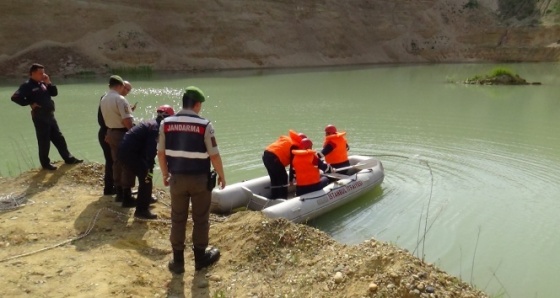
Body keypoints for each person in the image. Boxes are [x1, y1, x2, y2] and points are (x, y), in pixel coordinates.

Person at [157, 86, 226, 274]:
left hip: (176, 179)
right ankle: (200, 259)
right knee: (201, 219)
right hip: (199, 180)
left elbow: (161, 153)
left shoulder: (166, 124)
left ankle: (178, 262)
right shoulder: (205, 125)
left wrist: (164, 173)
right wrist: (221, 174)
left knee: (178, 218)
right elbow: (214, 155)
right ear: (196, 105)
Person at [10, 63, 83, 170]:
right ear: (33, 73)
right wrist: (30, 102)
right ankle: (45, 164)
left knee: (59, 138)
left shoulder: (42, 83)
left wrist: (48, 82)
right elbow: (15, 97)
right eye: (40, 73)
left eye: (43, 72)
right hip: (40, 117)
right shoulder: (27, 85)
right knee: (44, 141)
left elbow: (54, 93)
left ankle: (69, 158)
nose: (43, 75)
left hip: (50, 116)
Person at [118, 105, 174, 219]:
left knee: (146, 173)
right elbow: (150, 151)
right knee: (147, 179)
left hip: (124, 152)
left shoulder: (151, 123)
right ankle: (141, 210)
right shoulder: (156, 128)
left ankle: (128, 199)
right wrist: (149, 166)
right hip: (131, 154)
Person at [99, 75, 136, 207]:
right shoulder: (120, 99)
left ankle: (119, 192)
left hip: (110, 132)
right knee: (127, 163)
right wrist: (134, 134)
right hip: (122, 134)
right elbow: (127, 120)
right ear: (120, 86)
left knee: (116, 162)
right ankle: (127, 195)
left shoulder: (103, 99)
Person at [262, 130, 305, 199]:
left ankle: (274, 196)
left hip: (266, 155)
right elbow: (293, 165)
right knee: (283, 178)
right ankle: (283, 198)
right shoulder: (295, 146)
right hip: (274, 158)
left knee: (274, 178)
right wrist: (291, 180)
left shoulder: (288, 139)